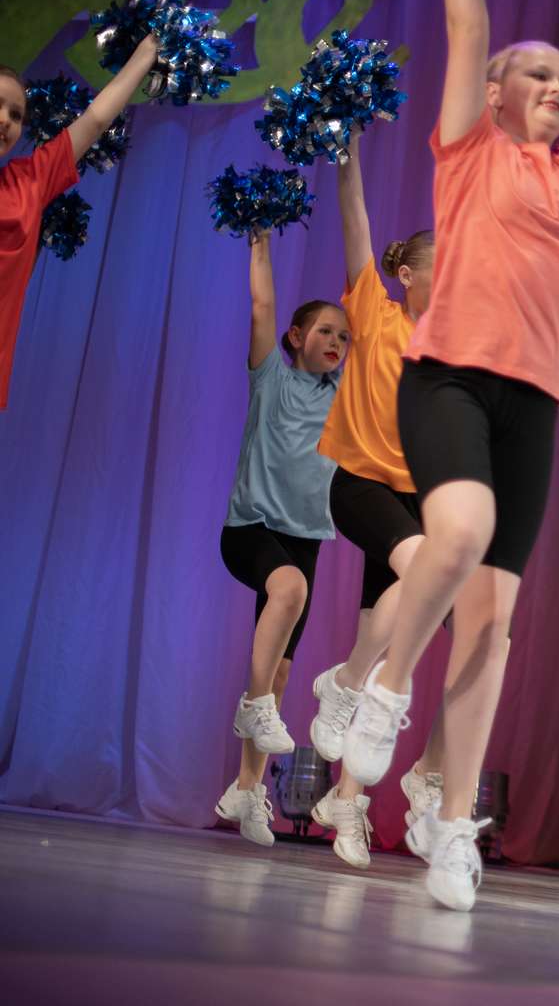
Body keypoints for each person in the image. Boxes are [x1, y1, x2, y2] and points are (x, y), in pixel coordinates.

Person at [338, 0, 559, 912]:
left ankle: (450, 824)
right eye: (537, 74)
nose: (558, 88)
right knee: (462, 528)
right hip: (446, 379)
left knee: (495, 625)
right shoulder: (470, 144)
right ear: (493, 90)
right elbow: (467, 24)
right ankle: (386, 688)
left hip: (531, 406)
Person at [294, 135, 439, 869]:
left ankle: (347, 802)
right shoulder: (376, 312)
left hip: (414, 503)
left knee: (392, 650)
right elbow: (355, 216)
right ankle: (342, 682)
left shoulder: (454, 347)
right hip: (359, 485)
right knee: (422, 574)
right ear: (407, 272)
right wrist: (347, 150)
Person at [215, 230, 347, 845]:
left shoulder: (343, 395)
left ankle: (247, 790)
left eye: (344, 336)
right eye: (325, 331)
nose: (336, 342)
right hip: (251, 530)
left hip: (304, 540)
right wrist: (261, 239)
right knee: (289, 590)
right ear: (296, 337)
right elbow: (262, 306)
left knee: (283, 672)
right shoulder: (271, 376)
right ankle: (252, 706)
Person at [0, 37, 159, 410]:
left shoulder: (27, 182)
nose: (5, 120)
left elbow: (95, 121)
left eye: (16, 115)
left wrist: (147, 52)